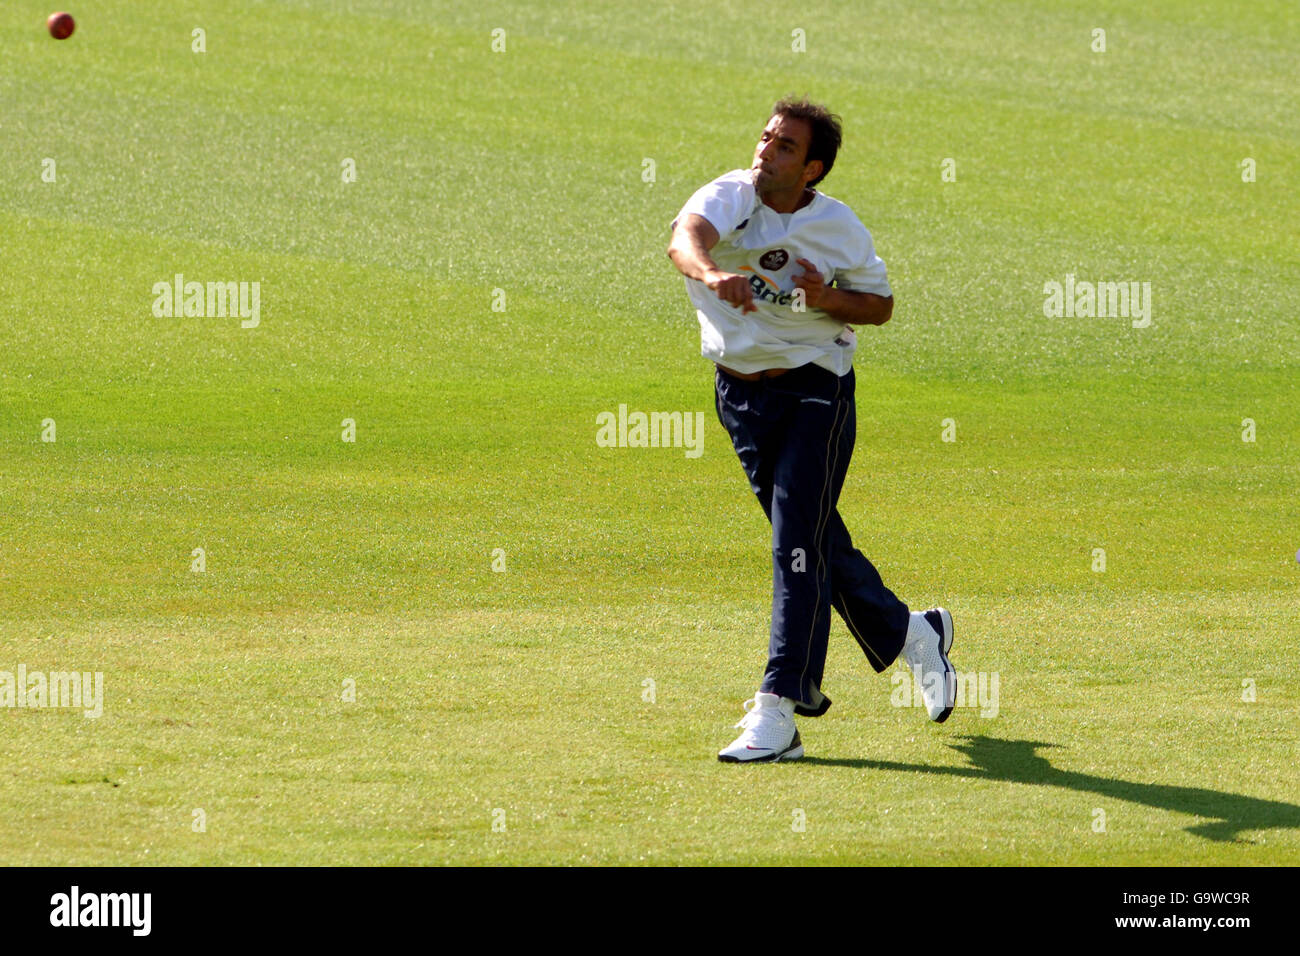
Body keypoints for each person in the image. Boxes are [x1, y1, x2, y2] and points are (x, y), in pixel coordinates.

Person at [666, 96, 956, 763]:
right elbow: (685, 239)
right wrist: (713, 275)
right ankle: (912, 633)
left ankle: (780, 708)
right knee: (812, 536)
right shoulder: (730, 195)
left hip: (814, 389)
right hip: (739, 393)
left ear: (813, 168)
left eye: (786, 145)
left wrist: (825, 297)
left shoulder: (837, 228)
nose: (767, 150)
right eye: (766, 137)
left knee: (794, 542)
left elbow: (879, 306)